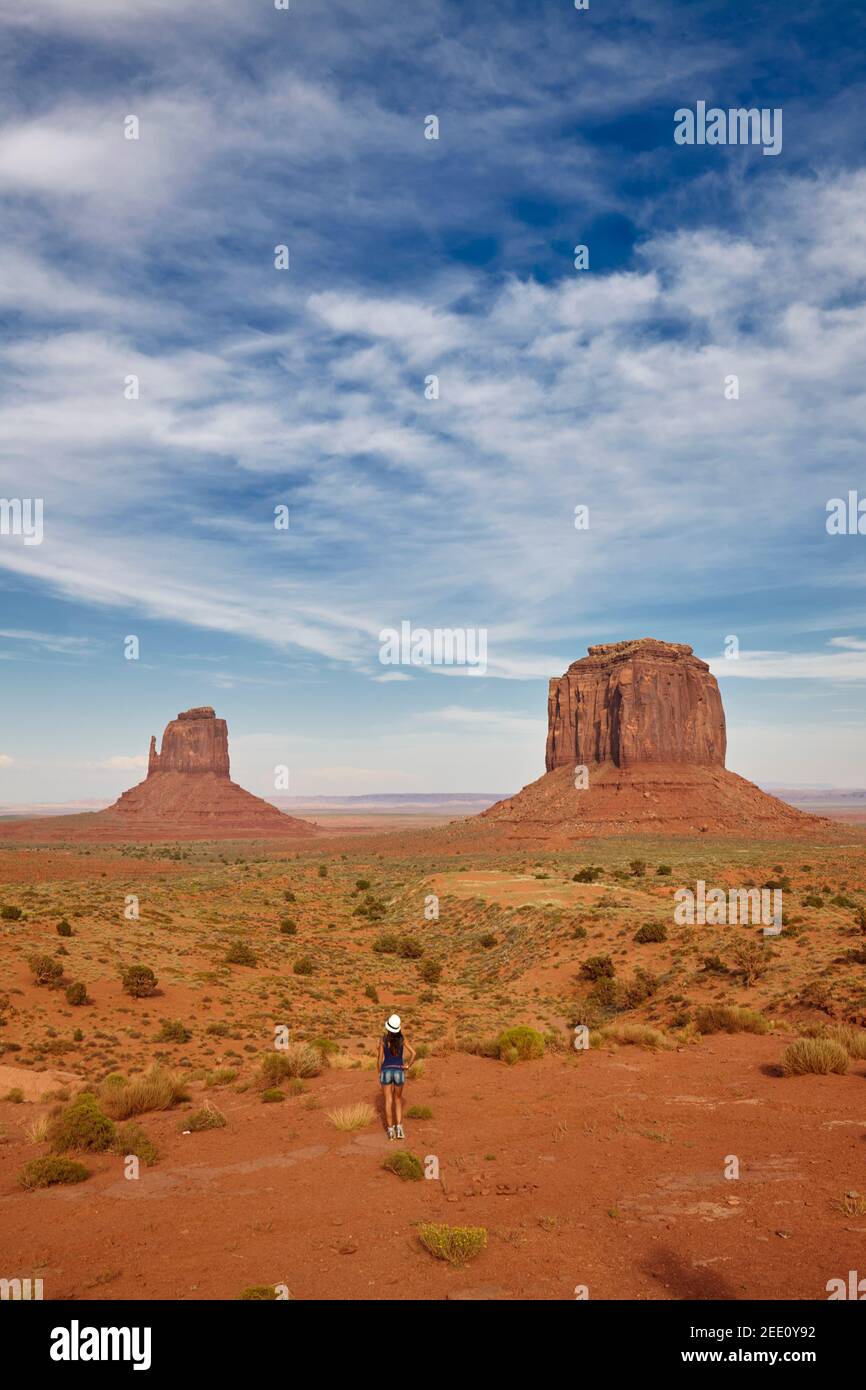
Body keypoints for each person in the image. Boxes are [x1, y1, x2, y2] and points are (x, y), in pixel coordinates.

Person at [377, 1013, 416, 1141]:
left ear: (388, 1027)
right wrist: (408, 1066)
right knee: (398, 1100)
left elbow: (379, 1058)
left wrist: (379, 1072)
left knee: (388, 1101)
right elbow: (413, 1053)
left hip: (386, 1071)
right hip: (399, 1071)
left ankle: (390, 1131)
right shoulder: (402, 1039)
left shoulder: (383, 1039)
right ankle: (399, 1129)